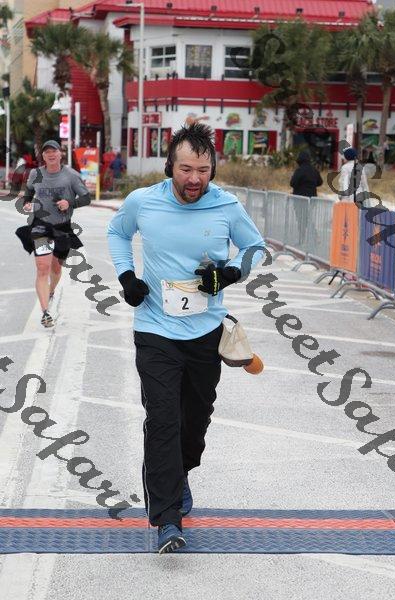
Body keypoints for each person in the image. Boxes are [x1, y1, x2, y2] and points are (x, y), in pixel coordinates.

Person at [108, 123, 265, 554]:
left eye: (203, 170)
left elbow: (255, 247)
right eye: (185, 170)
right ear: (169, 167)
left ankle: (180, 473)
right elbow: (117, 233)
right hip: (155, 329)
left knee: (194, 423)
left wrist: (229, 273)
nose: (194, 179)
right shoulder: (143, 201)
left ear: (212, 169)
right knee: (163, 419)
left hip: (205, 333)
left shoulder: (226, 205)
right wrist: (127, 276)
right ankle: (167, 519)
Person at [15, 140, 91, 328]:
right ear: (43, 156)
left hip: (62, 227)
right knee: (42, 267)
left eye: (53, 151)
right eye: (46, 152)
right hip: (40, 226)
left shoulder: (71, 176)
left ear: (60, 154)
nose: (50, 154)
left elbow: (86, 198)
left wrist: (70, 203)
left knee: (56, 269)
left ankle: (51, 290)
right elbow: (29, 191)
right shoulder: (36, 174)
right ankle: (45, 313)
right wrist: (27, 202)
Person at [290, 150, 323, 243]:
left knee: (301, 219)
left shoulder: (299, 170)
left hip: (299, 199)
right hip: (312, 199)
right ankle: (315, 238)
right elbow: (320, 182)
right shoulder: (314, 170)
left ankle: (302, 239)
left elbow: (292, 183)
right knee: (308, 218)